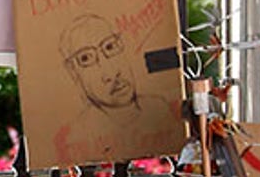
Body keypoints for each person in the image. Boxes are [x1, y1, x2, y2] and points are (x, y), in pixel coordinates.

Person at [51, 15, 177, 163]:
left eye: (110, 47)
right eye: (86, 58)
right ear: (73, 72)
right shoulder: (72, 138)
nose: (111, 72)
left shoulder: (164, 110)